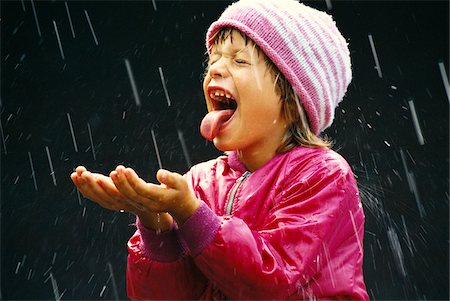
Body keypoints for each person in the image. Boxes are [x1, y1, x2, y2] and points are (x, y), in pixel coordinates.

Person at [71, 0, 369, 299]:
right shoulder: (198, 182)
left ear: (292, 102)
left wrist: (190, 212)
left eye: (239, 61)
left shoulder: (323, 175)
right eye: (212, 60)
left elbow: (267, 281)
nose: (215, 70)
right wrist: (156, 223)